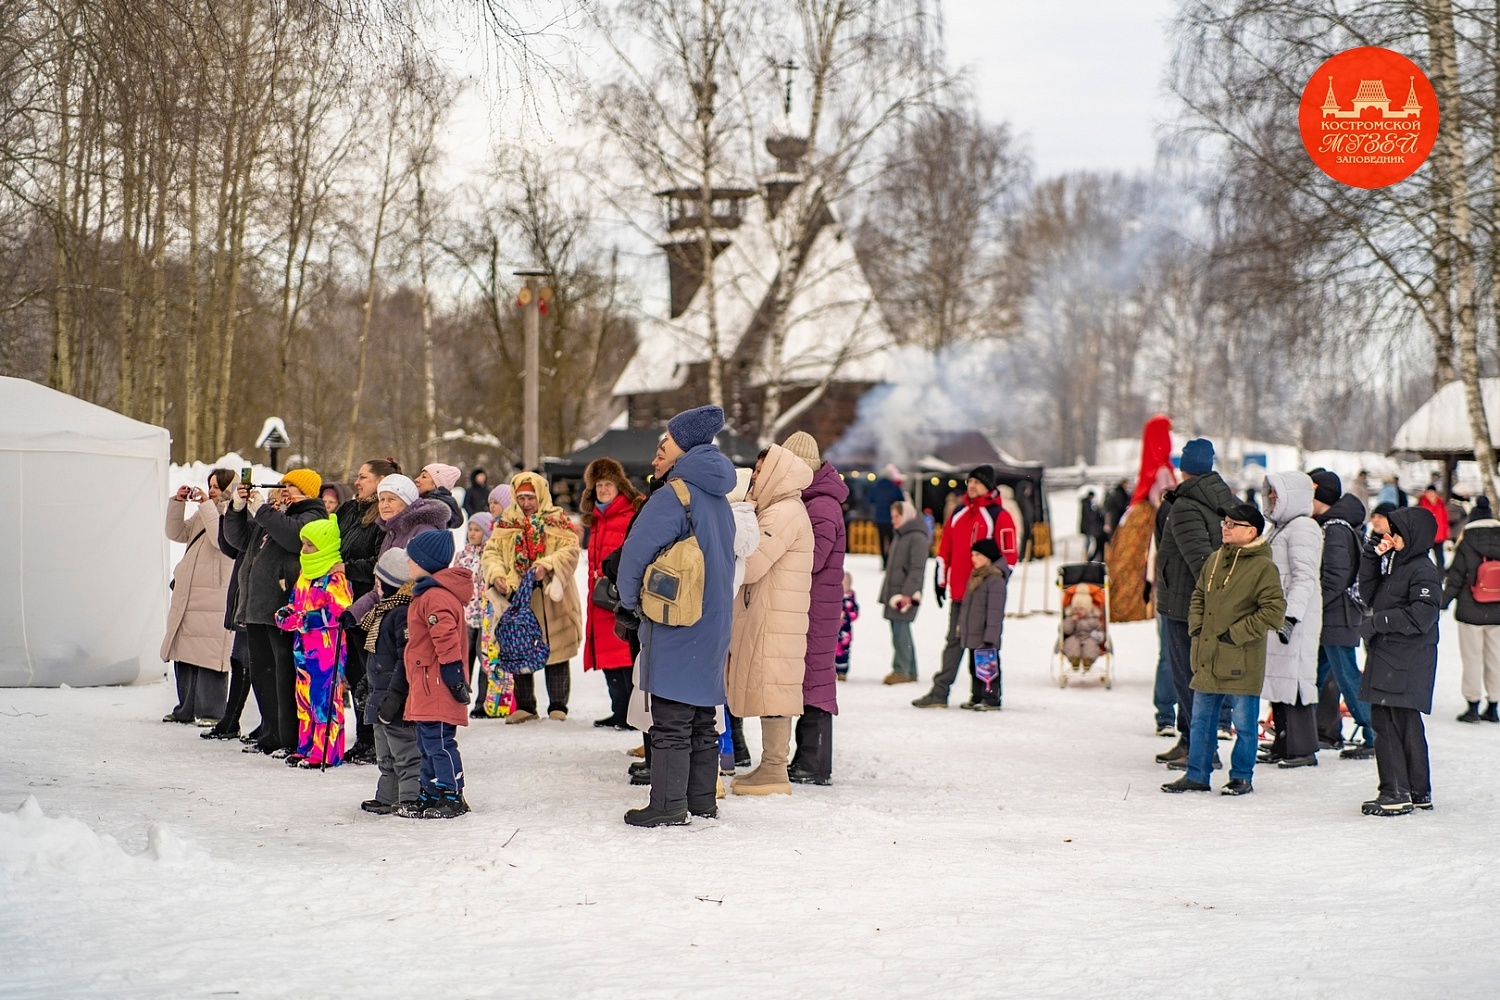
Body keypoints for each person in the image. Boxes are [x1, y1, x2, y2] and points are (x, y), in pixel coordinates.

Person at [615, 405, 737, 826]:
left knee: (670, 718)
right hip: (715, 619)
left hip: (678, 620)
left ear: (684, 446)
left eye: (664, 444)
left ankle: (667, 806)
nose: (658, 454)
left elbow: (635, 555)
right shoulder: (719, 498)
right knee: (701, 716)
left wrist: (628, 602)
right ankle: (701, 801)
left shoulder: (674, 495)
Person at [1162, 503, 1285, 795]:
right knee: (1201, 722)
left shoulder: (1263, 567)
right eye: (1225, 523)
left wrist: (1234, 634)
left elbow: (1273, 612)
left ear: (1251, 532)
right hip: (1208, 656)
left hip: (1241, 659)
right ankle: (1197, 774)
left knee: (1244, 725)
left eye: (1232, 524)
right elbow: (1198, 595)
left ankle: (1241, 776)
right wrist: (1196, 626)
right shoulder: (1215, 558)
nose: (1225, 528)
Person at [727, 443, 814, 796]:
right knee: (771, 684)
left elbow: (751, 564)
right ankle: (771, 766)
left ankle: (775, 769)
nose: (755, 476)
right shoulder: (780, 508)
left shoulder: (782, 513)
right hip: (773, 611)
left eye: (761, 470)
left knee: (774, 686)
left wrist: (742, 514)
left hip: (775, 615)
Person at [221, 468, 328, 758]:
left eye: (291, 487)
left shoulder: (312, 516)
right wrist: (238, 509)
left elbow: (293, 538)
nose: (283, 491)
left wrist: (264, 511)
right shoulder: (275, 514)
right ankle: (270, 732)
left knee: (283, 674)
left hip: (283, 606)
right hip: (257, 605)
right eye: (282, 485)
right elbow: (239, 541)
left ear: (306, 492)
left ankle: (287, 737)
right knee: (262, 674)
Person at [1154, 438, 1237, 770]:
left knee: (1188, 678)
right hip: (1202, 604)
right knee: (1195, 677)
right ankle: (1189, 740)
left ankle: (1202, 749)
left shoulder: (1186, 506)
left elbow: (1202, 562)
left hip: (1185, 607)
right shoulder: (1223, 498)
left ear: (1183, 467)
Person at [1356, 507, 1442, 815]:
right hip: (1393, 656)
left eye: (1396, 531)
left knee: (1389, 722)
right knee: (1402, 722)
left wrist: (1378, 623)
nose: (1389, 536)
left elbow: (1422, 615)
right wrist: (1371, 556)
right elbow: (1369, 595)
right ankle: (1417, 791)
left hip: (1405, 658)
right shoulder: (1398, 564)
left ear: (1412, 535)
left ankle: (1396, 792)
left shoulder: (1422, 570)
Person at [481, 472, 583, 723]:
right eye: (521, 498)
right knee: (518, 647)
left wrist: (547, 565)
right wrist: (497, 575)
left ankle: (558, 705)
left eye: (531, 497)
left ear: (541, 495)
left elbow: (570, 550)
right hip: (518, 598)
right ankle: (526, 705)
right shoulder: (506, 523)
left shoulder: (557, 519)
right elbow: (491, 554)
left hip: (552, 599)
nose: (526, 503)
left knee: (556, 651)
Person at [912, 465, 1013, 708]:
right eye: (970, 481)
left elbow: (1009, 554)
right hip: (959, 593)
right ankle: (940, 692)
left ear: (988, 485)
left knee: (983, 644)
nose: (972, 486)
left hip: (982, 594)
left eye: (977, 482)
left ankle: (986, 695)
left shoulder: (999, 515)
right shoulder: (958, 512)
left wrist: (996, 579)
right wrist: (940, 579)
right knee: (954, 643)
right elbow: (945, 547)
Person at [391, 528, 473, 819]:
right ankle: (430, 793)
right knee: (426, 743)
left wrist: (453, 675)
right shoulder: (427, 594)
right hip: (426, 682)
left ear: (426, 562)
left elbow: (445, 638)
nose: (408, 563)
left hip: (438, 682)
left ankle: (452, 795)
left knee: (439, 742)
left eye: (412, 559)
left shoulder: (436, 596)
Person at [782, 430, 847, 787]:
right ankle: (809, 758)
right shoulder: (816, 501)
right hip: (813, 603)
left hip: (816, 606)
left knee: (815, 682)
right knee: (811, 679)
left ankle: (815, 761)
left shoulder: (820, 505)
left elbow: (814, 558)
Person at [335, 458, 401, 765]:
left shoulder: (384, 518)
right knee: (354, 672)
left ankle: (376, 740)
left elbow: (382, 563)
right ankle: (363, 737)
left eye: (363, 477)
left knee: (369, 673)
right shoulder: (351, 509)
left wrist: (347, 568)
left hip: (371, 603)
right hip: (346, 602)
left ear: (381, 481)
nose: (356, 482)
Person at [274, 515, 353, 768]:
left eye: (310, 545)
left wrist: (303, 619)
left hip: (327, 649)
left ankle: (326, 752)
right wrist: (285, 614)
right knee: (304, 697)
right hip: (302, 647)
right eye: (304, 544)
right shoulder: (305, 575)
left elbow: (339, 613)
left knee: (324, 699)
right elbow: (294, 603)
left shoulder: (335, 576)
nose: (304, 549)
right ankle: (305, 746)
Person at [1309, 470, 1378, 759]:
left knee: (1347, 676)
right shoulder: (1335, 524)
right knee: (1318, 675)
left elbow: (1335, 577)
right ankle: (1309, 732)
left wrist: (1314, 605)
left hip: (1338, 615)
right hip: (1335, 615)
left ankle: (1374, 733)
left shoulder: (1335, 528)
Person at [1258, 472, 1324, 769]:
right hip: (1278, 615)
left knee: (1295, 680)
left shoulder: (1304, 528)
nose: (1272, 497)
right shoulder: (1279, 528)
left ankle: (1302, 748)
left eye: (1277, 492)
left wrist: (1291, 616)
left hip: (1295, 618)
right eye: (1270, 492)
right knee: (1278, 680)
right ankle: (1283, 743)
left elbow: (1304, 577)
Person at [161, 470, 236, 726]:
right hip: (191, 591)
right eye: (210, 485)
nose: (212, 490)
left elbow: (220, 539)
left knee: (211, 653)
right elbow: (176, 533)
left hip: (214, 595)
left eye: (217, 486)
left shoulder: (235, 513)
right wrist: (178, 503)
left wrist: (206, 506)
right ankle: (185, 708)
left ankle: (212, 711)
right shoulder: (205, 512)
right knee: (184, 650)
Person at [581, 457, 645, 729]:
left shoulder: (630, 513)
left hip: (620, 596)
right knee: (608, 659)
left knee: (625, 658)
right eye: (599, 485)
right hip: (600, 598)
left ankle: (631, 714)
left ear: (619, 485)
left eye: (608, 484)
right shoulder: (597, 518)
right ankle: (619, 710)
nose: (603, 489)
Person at [358, 549, 419, 814]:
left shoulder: (401, 614)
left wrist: (395, 697)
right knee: (385, 754)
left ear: (392, 583)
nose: (375, 587)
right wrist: (366, 684)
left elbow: (405, 660)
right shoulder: (383, 612)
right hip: (379, 695)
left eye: (378, 582)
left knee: (405, 752)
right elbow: (377, 658)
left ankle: (409, 799)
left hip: (396, 699)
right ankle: (386, 796)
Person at [1107, 415, 1176, 623]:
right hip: (1152, 523)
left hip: (1137, 521)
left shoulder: (1149, 469)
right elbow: (1164, 502)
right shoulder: (1162, 471)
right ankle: (1142, 608)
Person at [1442, 494, 1500, 723]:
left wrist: (1442, 602)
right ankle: (1493, 706)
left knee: (1472, 659)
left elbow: (1456, 577)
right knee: (1495, 659)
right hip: (1497, 612)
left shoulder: (1467, 541)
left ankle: (1472, 706)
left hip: (1470, 610)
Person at [955, 538, 1009, 710]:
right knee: (974, 667)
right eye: (972, 555)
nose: (973, 558)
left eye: (978, 555)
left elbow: (995, 611)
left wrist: (990, 637)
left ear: (988, 556)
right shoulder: (977, 576)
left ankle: (991, 698)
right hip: (974, 632)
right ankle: (977, 695)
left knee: (988, 669)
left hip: (985, 635)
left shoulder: (995, 580)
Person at [880, 500, 929, 685]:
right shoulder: (901, 534)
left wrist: (908, 592)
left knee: (900, 631)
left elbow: (917, 568)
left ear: (907, 515)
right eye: (892, 516)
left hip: (904, 593)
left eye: (897, 516)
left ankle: (901, 670)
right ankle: (910, 670)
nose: (893, 520)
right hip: (895, 590)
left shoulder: (917, 537)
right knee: (900, 630)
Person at [453, 512, 494, 717]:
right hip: (467, 616)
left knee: (485, 660)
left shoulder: (491, 556)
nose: (472, 533)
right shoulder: (462, 556)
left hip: (486, 618)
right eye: (470, 529)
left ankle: (483, 704)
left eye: (477, 530)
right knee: (463, 660)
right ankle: (459, 701)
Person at [866, 465, 905, 566]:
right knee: (892, 539)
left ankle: (884, 561)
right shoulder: (894, 487)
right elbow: (902, 500)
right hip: (892, 518)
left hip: (879, 518)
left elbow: (870, 500)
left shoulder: (876, 487)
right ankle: (891, 560)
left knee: (881, 539)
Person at [1061, 589, 1104, 666]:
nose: (1078, 611)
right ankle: (1074, 659)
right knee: (1071, 643)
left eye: (1081, 609)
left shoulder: (1093, 619)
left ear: (1087, 608)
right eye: (1076, 609)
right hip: (1074, 635)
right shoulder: (1071, 617)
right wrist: (1071, 621)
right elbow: (1067, 631)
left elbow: (1100, 631)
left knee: (1091, 645)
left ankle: (1088, 660)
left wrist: (1097, 635)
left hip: (1089, 636)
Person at [414, 463, 465, 529]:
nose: (417, 479)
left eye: (424, 477)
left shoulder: (433, 510)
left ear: (436, 485)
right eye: (419, 476)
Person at [1418, 485, 1451, 569]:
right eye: (1429, 493)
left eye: (1432, 493)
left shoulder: (1441, 504)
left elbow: (1445, 519)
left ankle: (1441, 574)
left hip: (1439, 535)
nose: (1431, 495)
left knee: (1440, 557)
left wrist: (1446, 533)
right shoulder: (1422, 504)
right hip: (1426, 536)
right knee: (1423, 558)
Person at [835, 572, 858, 681]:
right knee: (830, 651)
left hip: (845, 633)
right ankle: (831, 670)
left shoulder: (850, 599)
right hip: (832, 632)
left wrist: (846, 615)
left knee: (843, 653)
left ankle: (842, 672)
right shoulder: (833, 596)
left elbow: (855, 613)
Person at [1079, 490, 1106, 562]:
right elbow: (1089, 516)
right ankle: (1086, 557)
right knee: (1088, 542)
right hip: (1088, 527)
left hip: (1088, 527)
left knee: (1090, 542)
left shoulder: (1088, 504)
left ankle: (1087, 557)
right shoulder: (1087, 504)